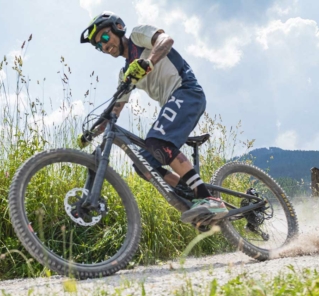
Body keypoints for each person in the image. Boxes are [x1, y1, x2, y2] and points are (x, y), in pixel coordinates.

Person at [79, 11, 227, 224]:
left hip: (186, 91)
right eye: (98, 46)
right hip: (172, 102)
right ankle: (192, 195)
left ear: (118, 27)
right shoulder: (125, 74)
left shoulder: (139, 36)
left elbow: (166, 40)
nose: (104, 46)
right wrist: (93, 131)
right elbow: (116, 108)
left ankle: (208, 198)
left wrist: (148, 61)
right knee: (143, 164)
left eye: (104, 37)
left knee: (156, 141)